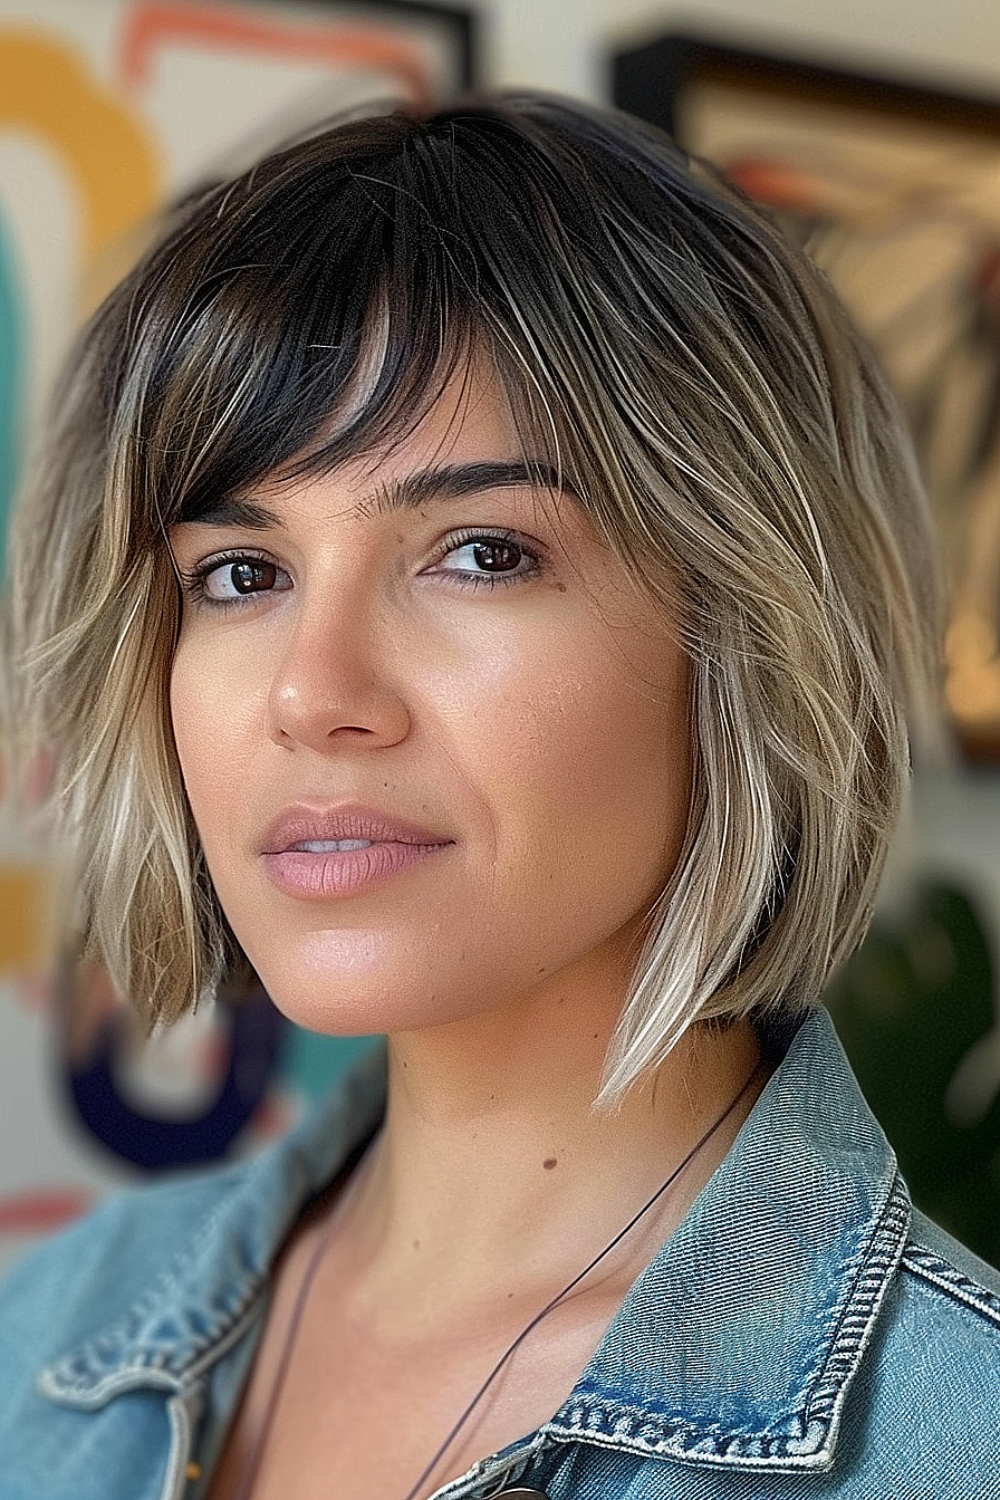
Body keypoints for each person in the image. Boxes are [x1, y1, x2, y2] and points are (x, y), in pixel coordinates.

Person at [0, 91, 997, 1500]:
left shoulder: (957, 1443)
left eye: (479, 552)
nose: (311, 690)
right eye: (243, 573)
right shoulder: (41, 1342)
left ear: (752, 628)